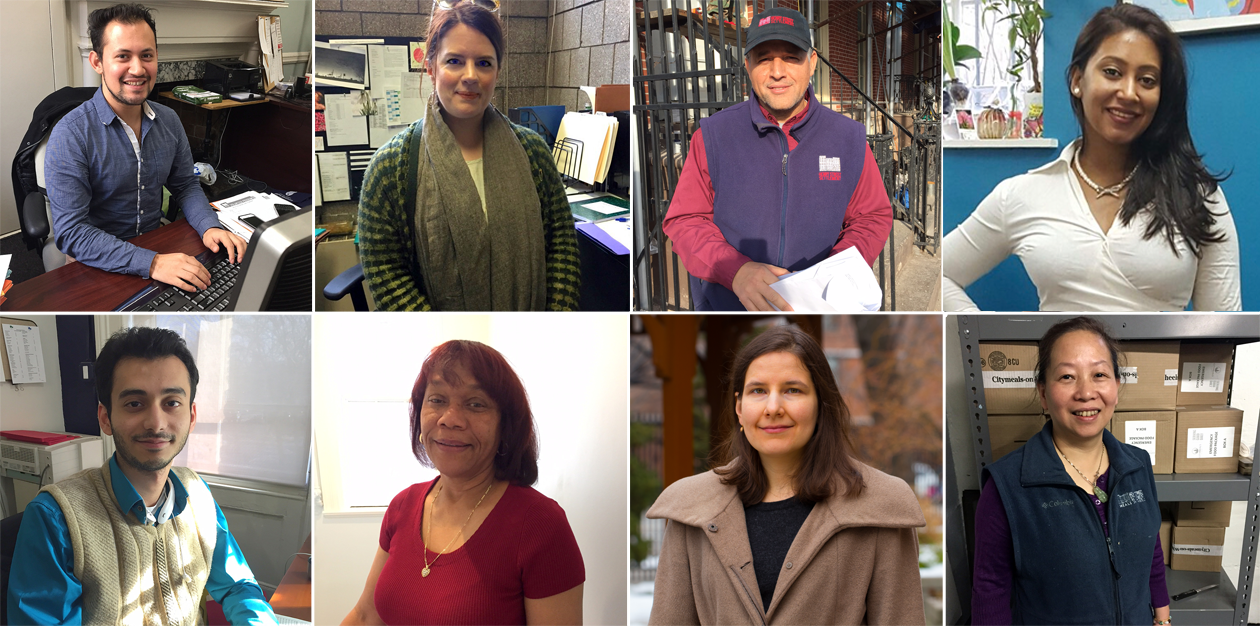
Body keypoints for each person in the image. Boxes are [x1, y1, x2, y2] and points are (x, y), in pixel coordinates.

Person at [943, 4, 1240, 312]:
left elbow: (1223, 328)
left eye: (1147, 80)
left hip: (1161, 362)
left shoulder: (1198, 195)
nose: (1128, 92)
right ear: (1077, 79)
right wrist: (982, 340)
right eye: (1112, 72)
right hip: (1058, 361)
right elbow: (943, 273)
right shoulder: (1021, 194)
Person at [647, 326, 926, 625]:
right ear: (739, 408)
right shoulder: (691, 508)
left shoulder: (881, 505)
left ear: (821, 403)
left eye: (793, 390)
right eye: (758, 391)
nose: (773, 407)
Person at [7, 327, 277, 625]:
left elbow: (239, 585)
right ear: (105, 418)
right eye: (135, 404)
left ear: (192, 415)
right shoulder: (55, 518)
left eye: (172, 402)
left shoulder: (197, 493)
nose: (156, 423)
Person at [662, 7, 893, 312]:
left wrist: (832, 276)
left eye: (791, 57)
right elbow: (685, 220)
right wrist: (736, 271)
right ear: (747, 66)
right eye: (764, 58)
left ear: (811, 64)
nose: (777, 71)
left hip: (818, 312)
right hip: (730, 311)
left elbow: (872, 217)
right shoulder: (712, 136)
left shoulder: (849, 138)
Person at [357, 0, 580, 311]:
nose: (471, 75)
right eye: (455, 61)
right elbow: (388, 279)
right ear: (431, 67)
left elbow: (562, 250)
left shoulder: (534, 154)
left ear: (498, 71)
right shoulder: (390, 168)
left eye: (484, 63)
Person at [342, 340, 584, 625]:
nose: (450, 419)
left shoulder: (541, 525)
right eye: (437, 400)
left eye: (475, 404)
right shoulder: (401, 506)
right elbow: (364, 616)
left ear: (505, 425)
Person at [971, 317, 1169, 625]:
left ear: (1116, 387)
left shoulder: (1138, 464)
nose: (1086, 392)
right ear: (1043, 394)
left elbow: (1150, 548)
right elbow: (989, 590)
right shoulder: (1007, 487)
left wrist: (1163, 617)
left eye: (1099, 374)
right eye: (1067, 377)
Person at [44, 3, 247, 292]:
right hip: (95, 264)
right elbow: (72, 233)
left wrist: (209, 225)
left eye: (146, 55)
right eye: (122, 56)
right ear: (97, 62)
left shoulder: (169, 121)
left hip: (156, 248)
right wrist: (152, 263)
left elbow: (186, 186)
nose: (137, 69)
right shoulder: (70, 134)